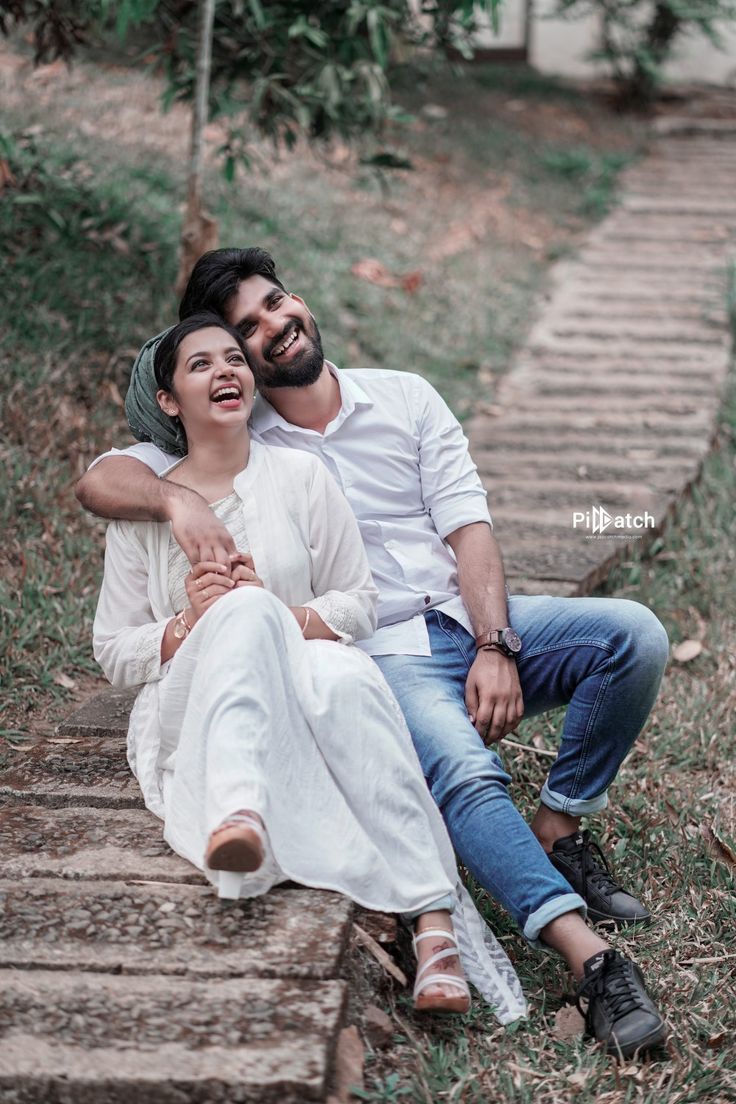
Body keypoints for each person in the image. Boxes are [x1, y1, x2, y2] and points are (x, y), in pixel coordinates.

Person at [78, 249, 668, 1058]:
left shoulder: (403, 396)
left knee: (633, 636)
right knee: (461, 771)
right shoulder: (239, 428)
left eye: (276, 304)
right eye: (244, 330)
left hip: (466, 617)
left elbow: (470, 530)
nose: (273, 329)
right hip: (380, 650)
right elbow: (102, 480)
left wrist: (495, 643)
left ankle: (559, 826)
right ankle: (590, 960)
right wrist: (178, 499)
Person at [92, 312, 528, 1022]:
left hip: (306, 669)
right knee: (241, 614)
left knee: (349, 677)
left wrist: (280, 614)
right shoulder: (144, 510)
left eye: (233, 358)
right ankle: (239, 806)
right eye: (199, 365)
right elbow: (113, 650)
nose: (224, 371)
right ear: (168, 401)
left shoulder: (300, 475)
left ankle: (435, 927)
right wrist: (189, 622)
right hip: (193, 695)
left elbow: (360, 600)